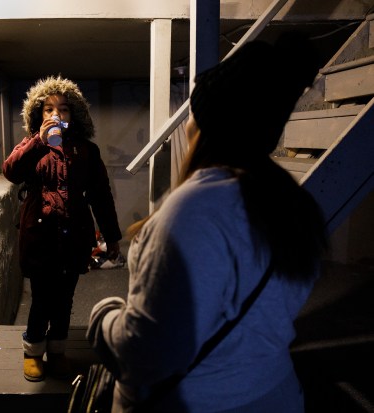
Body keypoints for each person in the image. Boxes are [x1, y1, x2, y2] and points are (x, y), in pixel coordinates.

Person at [87, 33, 328, 412]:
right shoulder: (291, 204)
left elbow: (148, 351)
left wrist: (103, 317)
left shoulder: (195, 212)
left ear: (207, 126)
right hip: (274, 394)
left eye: (190, 114)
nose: (185, 126)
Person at [3, 75, 122, 382]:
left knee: (65, 298)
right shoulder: (32, 145)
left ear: (74, 115)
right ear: (38, 115)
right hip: (40, 235)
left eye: (64, 109)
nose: (56, 114)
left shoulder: (86, 151)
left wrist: (111, 236)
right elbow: (11, 172)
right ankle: (33, 352)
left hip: (75, 234)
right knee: (41, 296)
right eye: (48, 109)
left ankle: (57, 351)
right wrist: (40, 141)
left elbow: (100, 195)